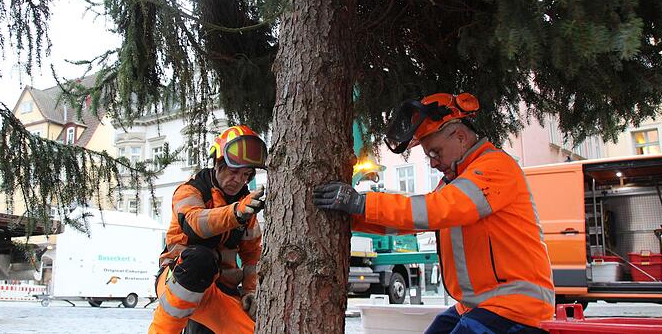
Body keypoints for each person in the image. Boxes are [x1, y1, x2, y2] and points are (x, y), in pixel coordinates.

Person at [314, 93, 554, 334]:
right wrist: (355, 216)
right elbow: (414, 221)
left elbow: (437, 210)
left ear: (460, 137)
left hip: (517, 308)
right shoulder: (456, 180)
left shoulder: (495, 168)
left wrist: (362, 203)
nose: (433, 162)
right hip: (479, 305)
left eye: (435, 152)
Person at [148, 125, 267, 334]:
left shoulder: (246, 205)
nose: (239, 180)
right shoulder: (190, 190)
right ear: (217, 164)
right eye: (234, 171)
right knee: (199, 259)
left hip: (221, 291)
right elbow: (195, 224)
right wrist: (235, 213)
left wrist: (250, 291)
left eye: (246, 174)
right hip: (179, 278)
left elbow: (252, 255)